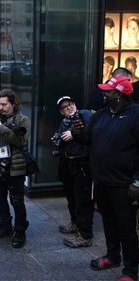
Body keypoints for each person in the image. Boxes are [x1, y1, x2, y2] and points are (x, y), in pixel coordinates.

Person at [73, 76, 139, 281]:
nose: (103, 93)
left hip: (124, 183)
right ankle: (112, 256)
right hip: (101, 180)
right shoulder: (101, 115)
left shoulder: (136, 115)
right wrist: (77, 133)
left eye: (108, 91)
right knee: (108, 222)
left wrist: (137, 181)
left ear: (119, 95)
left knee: (126, 227)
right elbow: (88, 140)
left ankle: (130, 270)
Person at [0, 89, 30, 248]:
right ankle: (5, 225)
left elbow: (20, 141)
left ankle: (20, 231)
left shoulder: (23, 120)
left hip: (15, 167)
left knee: (17, 201)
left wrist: (0, 127)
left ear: (13, 104)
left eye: (4, 104)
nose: (0, 107)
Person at [52, 96, 94, 248]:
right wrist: (58, 141)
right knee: (71, 197)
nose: (68, 108)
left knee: (83, 200)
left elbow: (91, 131)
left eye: (70, 104)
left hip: (82, 163)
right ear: (61, 112)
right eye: (64, 107)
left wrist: (73, 133)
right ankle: (75, 223)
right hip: (67, 162)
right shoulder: (64, 122)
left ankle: (85, 235)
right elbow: (60, 141)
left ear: (75, 104)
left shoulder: (85, 114)